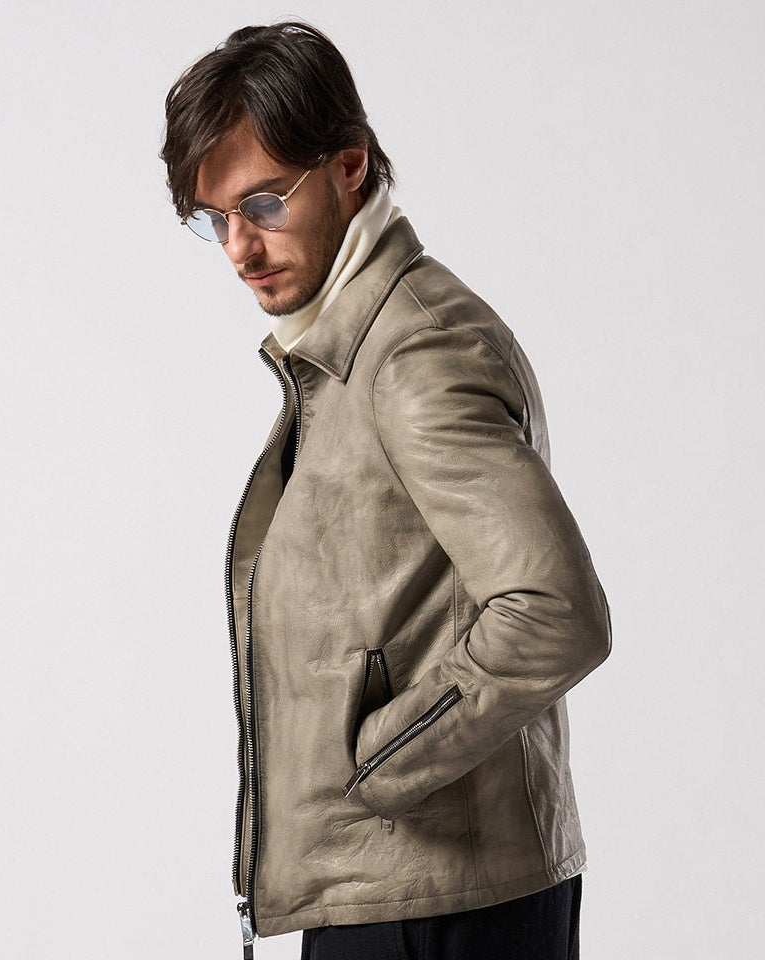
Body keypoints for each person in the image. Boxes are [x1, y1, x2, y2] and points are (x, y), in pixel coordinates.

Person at [160, 21, 612, 960]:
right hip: (397, 892)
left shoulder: (413, 356)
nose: (240, 246)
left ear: (350, 166)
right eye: (214, 218)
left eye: (265, 203)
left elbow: (554, 610)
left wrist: (376, 769)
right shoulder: (349, 353)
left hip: (433, 905)